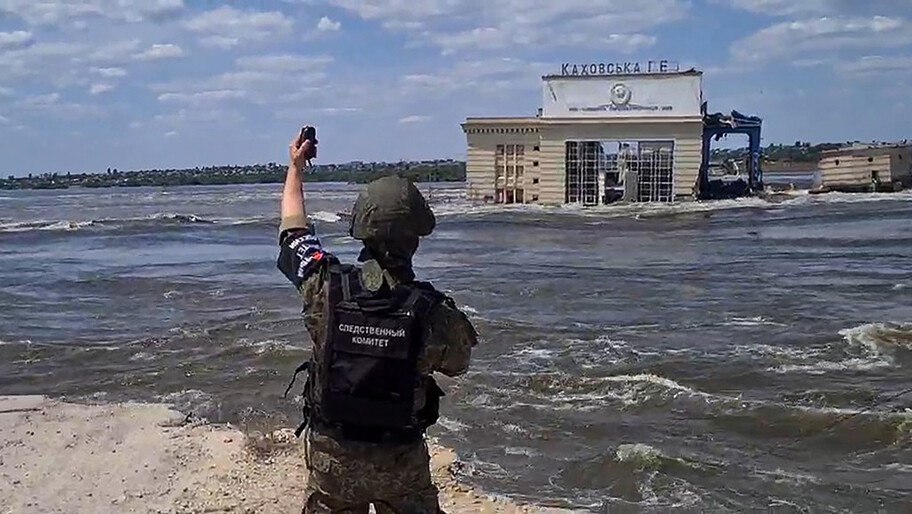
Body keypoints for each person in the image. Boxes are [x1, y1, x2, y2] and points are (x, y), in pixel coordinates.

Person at [276, 129, 478, 513]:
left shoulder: (324, 286)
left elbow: (293, 232)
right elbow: (458, 363)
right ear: (415, 238)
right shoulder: (432, 311)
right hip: (400, 462)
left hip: (332, 458)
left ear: (361, 230)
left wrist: (296, 168)